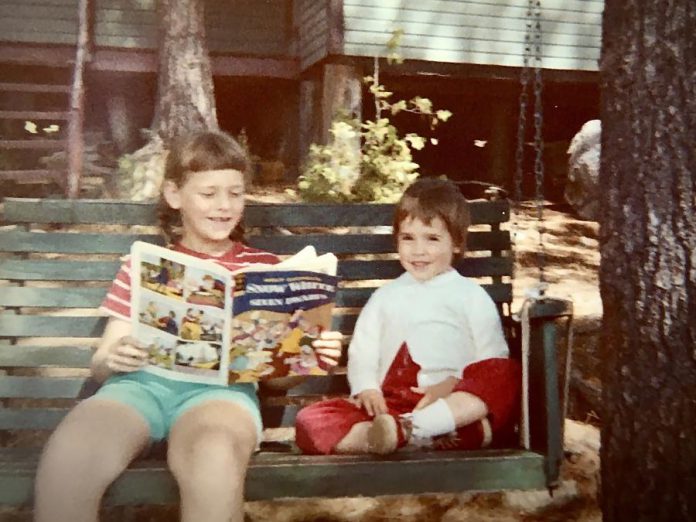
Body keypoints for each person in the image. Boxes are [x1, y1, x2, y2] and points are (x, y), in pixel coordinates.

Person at [34, 130, 343, 522]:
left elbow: (274, 379)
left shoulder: (265, 270)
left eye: (235, 193)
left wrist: (306, 356)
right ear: (174, 195)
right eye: (209, 193)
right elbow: (101, 362)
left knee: (214, 457)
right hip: (138, 388)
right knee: (70, 455)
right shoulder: (146, 265)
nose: (224, 205)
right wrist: (116, 354)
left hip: (220, 397)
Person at [295, 178, 520, 455]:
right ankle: (385, 436)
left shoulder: (471, 296)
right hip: (391, 407)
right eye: (408, 238)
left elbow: (490, 359)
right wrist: (367, 388)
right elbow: (363, 351)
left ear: (457, 244)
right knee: (311, 421)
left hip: (452, 404)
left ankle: (414, 430)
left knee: (505, 373)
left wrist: (453, 386)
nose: (418, 250)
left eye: (432, 238)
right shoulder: (385, 296)